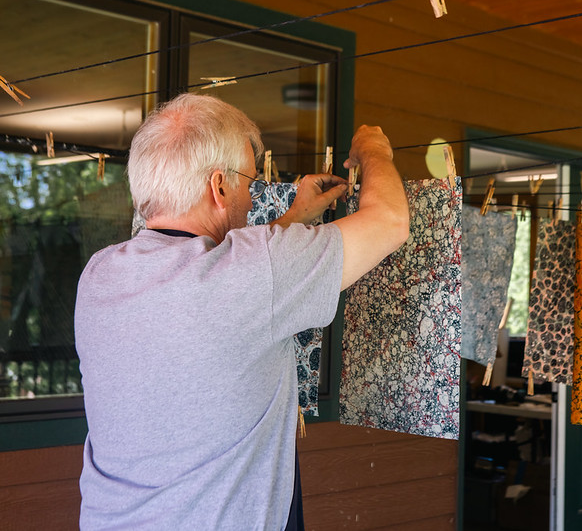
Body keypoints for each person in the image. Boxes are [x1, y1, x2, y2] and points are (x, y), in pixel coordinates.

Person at [74, 92, 409, 530]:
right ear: (218, 187)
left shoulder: (100, 275)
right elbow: (390, 222)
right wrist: (373, 149)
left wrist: (296, 217)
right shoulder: (254, 271)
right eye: (249, 184)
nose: (251, 200)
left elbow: (229, 277)